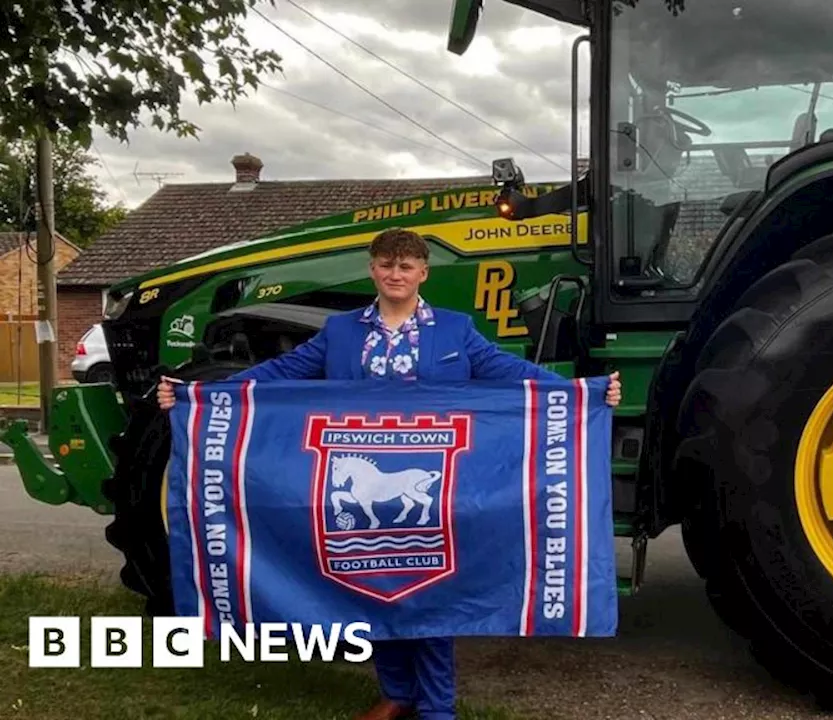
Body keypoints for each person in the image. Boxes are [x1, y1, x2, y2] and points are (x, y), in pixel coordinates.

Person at [157, 227, 622, 720]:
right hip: (356, 477)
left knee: (431, 592)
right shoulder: (341, 332)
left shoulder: (454, 329)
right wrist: (203, 395)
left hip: (438, 481)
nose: (394, 274)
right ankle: (396, 693)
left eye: (405, 266)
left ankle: (438, 706)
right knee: (369, 588)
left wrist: (577, 392)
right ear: (371, 269)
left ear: (422, 273)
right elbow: (282, 372)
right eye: (385, 264)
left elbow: (506, 370)